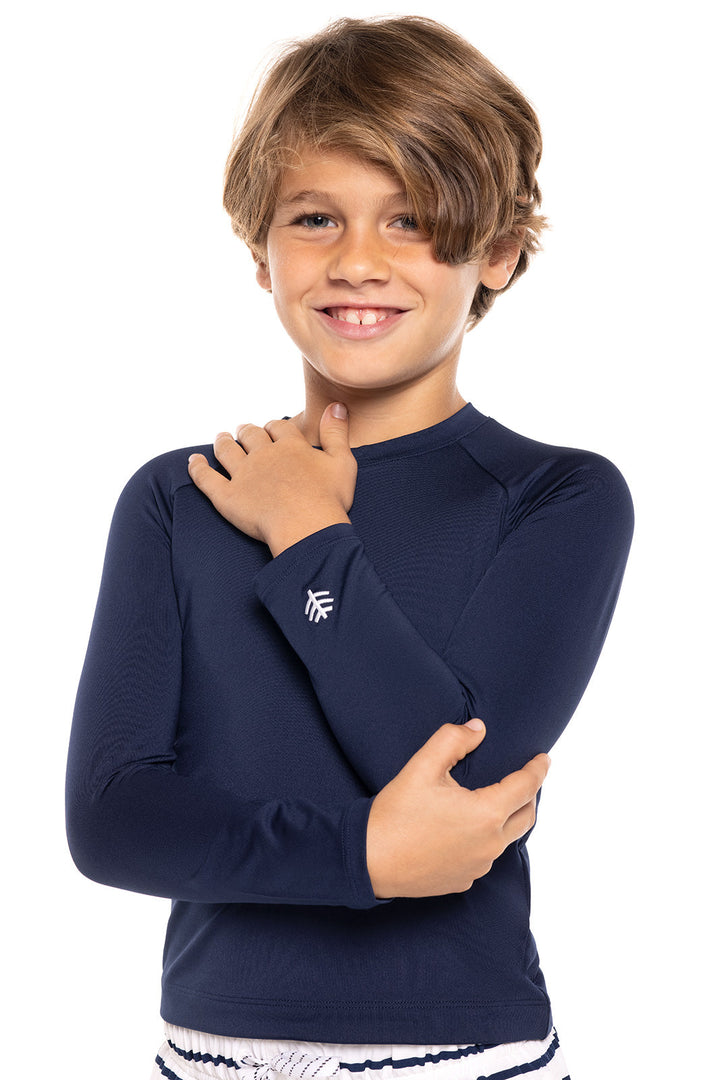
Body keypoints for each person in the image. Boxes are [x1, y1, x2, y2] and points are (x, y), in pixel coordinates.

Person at [66, 16, 633, 1080]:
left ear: (499, 251)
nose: (358, 261)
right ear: (260, 249)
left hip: (460, 1052)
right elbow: (112, 822)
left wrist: (308, 533)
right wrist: (362, 855)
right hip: (207, 1052)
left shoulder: (559, 496)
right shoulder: (178, 500)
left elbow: (463, 780)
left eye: (411, 219)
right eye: (316, 218)